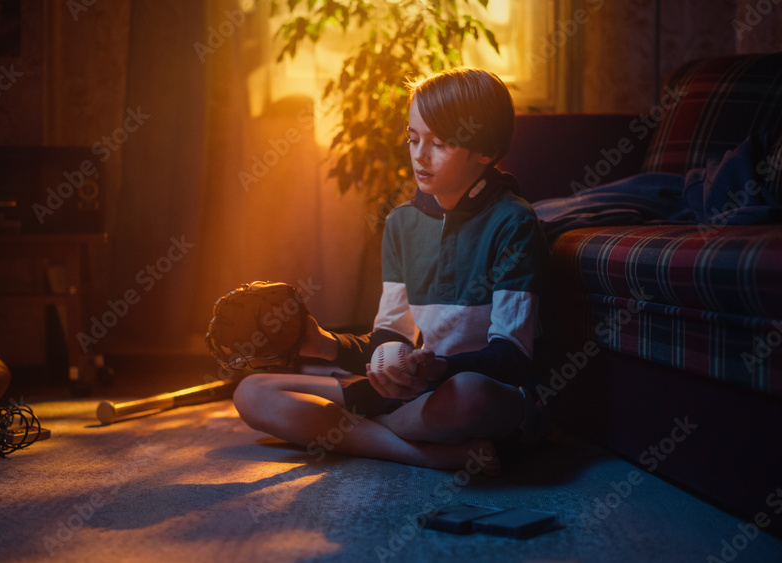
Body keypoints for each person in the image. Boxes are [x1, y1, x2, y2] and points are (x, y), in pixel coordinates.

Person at [233, 67, 549, 475]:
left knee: (470, 396)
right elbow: (388, 340)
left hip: (472, 391)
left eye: (440, 143)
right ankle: (420, 453)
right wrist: (325, 344)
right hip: (412, 394)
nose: (419, 155)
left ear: (484, 151)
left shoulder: (513, 223)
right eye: (413, 138)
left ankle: (361, 433)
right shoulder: (402, 223)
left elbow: (513, 357)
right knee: (252, 391)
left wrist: (438, 369)